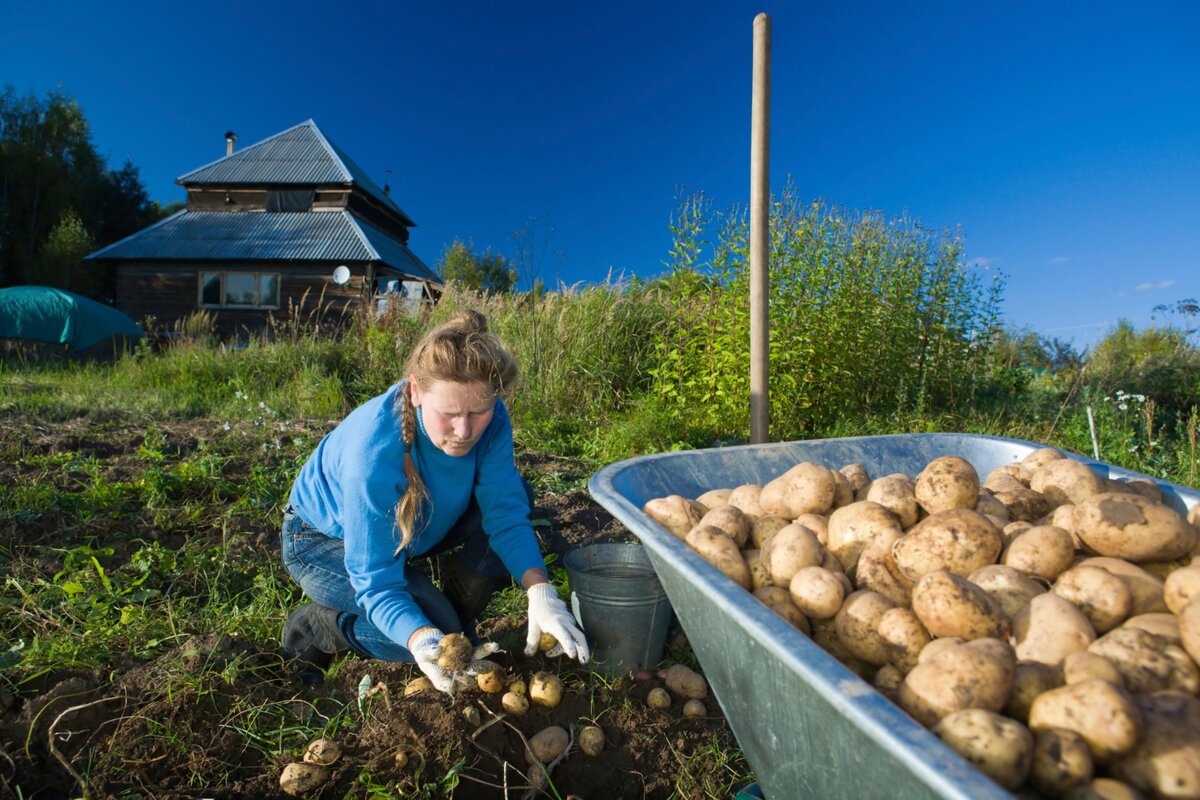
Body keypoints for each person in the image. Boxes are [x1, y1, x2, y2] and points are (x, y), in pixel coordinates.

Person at [279, 310, 588, 691]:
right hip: (323, 541)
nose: (464, 430)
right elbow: (376, 581)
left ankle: (447, 614)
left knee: (518, 496)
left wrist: (540, 591)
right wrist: (419, 636)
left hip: (418, 522)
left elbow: (505, 514)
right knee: (434, 635)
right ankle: (322, 627)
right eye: (449, 414)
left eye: (478, 412)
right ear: (415, 391)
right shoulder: (373, 455)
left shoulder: (491, 421)